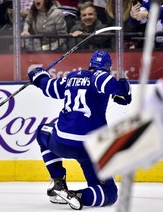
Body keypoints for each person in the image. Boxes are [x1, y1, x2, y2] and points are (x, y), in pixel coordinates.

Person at [28, 50, 132, 209]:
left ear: (90, 65)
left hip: (61, 142)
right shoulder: (99, 77)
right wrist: (124, 89)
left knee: (42, 133)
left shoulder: (72, 77)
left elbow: (49, 87)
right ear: (107, 68)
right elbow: (111, 86)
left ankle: (58, 182)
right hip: (89, 150)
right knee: (109, 193)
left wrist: (38, 76)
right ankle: (77, 195)